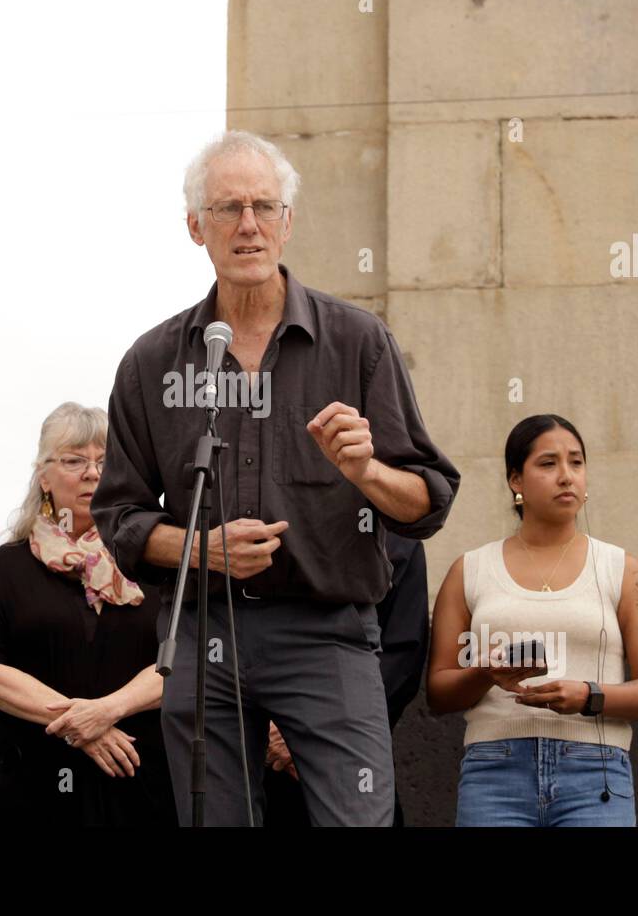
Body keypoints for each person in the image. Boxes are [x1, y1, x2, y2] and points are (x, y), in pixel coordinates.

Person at [91, 129, 460, 826]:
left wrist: (367, 470)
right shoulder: (151, 363)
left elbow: (427, 502)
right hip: (201, 636)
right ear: (196, 227)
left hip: (329, 633)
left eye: (264, 206)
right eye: (228, 208)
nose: (248, 225)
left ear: (288, 222)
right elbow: (119, 520)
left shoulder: (358, 341)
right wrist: (202, 551)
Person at [427, 414, 638, 827]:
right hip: (495, 769)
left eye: (576, 463)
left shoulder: (622, 569)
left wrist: (588, 696)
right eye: (548, 463)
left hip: (595, 770)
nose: (566, 476)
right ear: (516, 480)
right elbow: (437, 693)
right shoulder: (470, 569)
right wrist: (485, 672)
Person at [0, 402, 175, 827]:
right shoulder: (7, 566)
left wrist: (106, 712)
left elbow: (180, 660)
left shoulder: (154, 564)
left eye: (104, 461)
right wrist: (77, 724)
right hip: (30, 782)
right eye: (74, 460)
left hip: (136, 778)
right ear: (43, 477)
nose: (92, 473)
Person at [264, 532, 429, 826]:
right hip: (261, 755)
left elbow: (401, 657)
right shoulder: (266, 525)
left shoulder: (398, 541)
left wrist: (311, 728)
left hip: (352, 749)